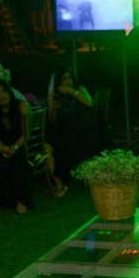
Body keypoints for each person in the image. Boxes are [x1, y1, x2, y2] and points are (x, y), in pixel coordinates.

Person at [0, 82, 33, 215]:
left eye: (4, 91)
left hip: (20, 143)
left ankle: (21, 200)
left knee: (17, 160)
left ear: (10, 92)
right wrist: (2, 148)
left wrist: (15, 147)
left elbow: (26, 133)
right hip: (2, 145)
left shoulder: (22, 106)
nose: (1, 96)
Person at [46, 67, 96, 196]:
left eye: (70, 78)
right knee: (48, 145)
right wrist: (53, 105)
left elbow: (89, 102)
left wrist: (70, 91)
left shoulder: (79, 90)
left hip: (83, 130)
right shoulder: (57, 96)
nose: (68, 81)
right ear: (59, 82)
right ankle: (59, 182)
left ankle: (77, 176)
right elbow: (52, 120)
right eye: (64, 79)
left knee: (66, 144)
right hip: (65, 132)